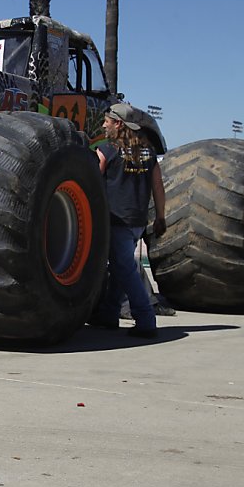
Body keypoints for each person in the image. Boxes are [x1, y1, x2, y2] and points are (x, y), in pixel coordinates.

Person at [90, 103, 167, 338]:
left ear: (119, 124)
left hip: (116, 221)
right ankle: (110, 313)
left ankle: (146, 318)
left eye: (107, 121)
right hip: (137, 222)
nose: (104, 125)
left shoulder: (106, 151)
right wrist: (161, 217)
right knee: (120, 267)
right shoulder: (148, 153)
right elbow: (158, 187)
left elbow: (92, 182)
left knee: (125, 269)